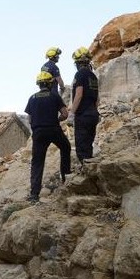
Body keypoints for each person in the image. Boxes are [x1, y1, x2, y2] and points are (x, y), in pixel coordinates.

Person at [24, 71, 72, 203]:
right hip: (53, 129)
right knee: (66, 147)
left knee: (37, 162)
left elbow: (29, 119)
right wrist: (57, 118)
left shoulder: (32, 98)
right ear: (51, 83)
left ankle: (34, 195)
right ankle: (66, 179)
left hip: (38, 133)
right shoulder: (54, 96)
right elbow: (65, 114)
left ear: (39, 84)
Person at [69, 47, 100, 165]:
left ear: (78, 62)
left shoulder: (80, 74)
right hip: (93, 114)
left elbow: (79, 94)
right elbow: (97, 98)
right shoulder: (93, 76)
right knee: (88, 146)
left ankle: (86, 174)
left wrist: (72, 113)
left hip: (83, 115)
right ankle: (91, 171)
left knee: (82, 148)